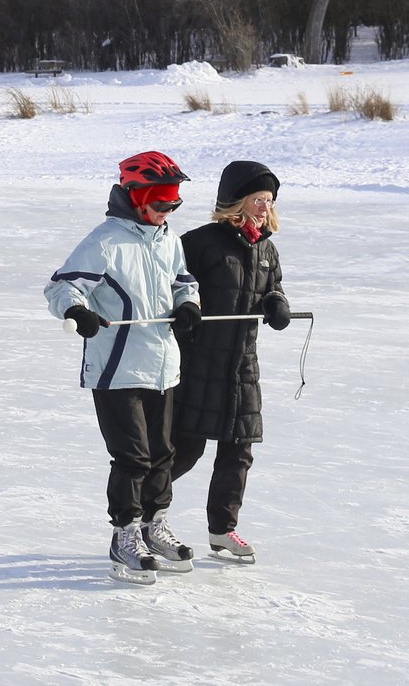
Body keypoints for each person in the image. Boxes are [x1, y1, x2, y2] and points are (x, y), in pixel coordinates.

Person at [44, 151, 204, 585]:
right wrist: (78, 313)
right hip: (116, 370)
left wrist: (188, 305)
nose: (166, 213)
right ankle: (125, 534)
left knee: (163, 454)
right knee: (132, 457)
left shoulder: (168, 239)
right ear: (137, 198)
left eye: (173, 206)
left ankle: (155, 525)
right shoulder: (105, 241)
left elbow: (183, 281)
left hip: (163, 365)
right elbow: (63, 286)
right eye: (160, 205)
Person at [172, 159, 290, 565]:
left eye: (269, 200)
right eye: (258, 199)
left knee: (239, 451)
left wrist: (277, 304)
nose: (264, 207)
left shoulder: (266, 249)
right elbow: (172, 287)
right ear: (236, 201)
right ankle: (143, 512)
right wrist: (184, 313)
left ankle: (222, 530)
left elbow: (272, 288)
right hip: (199, 363)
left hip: (242, 367)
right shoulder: (200, 242)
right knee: (185, 449)